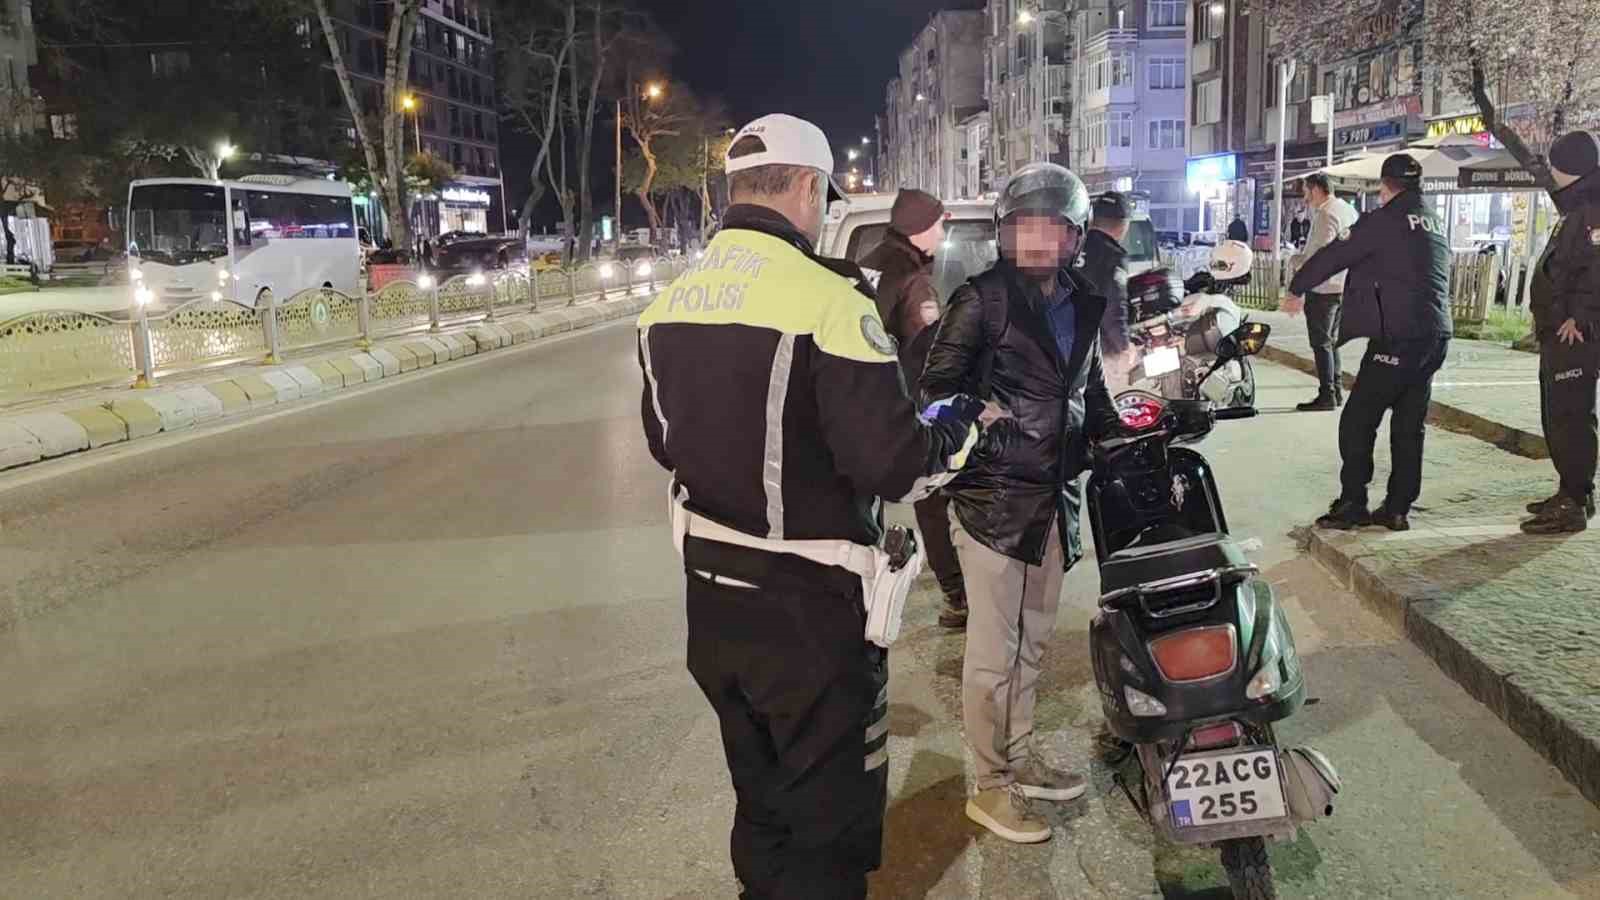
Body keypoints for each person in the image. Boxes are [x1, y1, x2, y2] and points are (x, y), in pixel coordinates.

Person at [636, 113, 989, 899]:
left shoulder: (667, 306)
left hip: (712, 603)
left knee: (760, 797)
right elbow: (897, 466)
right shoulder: (829, 301)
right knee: (827, 826)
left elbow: (665, 444)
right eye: (822, 196)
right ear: (805, 186)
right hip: (808, 612)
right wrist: (961, 426)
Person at [921, 163, 1120, 844]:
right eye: (1023, 228)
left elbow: (1089, 389)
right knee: (991, 654)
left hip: (1055, 498)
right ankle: (989, 784)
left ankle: (1019, 752)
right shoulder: (980, 300)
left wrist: (1117, 436)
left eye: (1052, 228)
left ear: (1075, 237)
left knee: (1033, 643)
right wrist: (986, 424)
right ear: (1005, 235)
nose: (1037, 241)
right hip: (994, 502)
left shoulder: (1084, 300)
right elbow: (935, 392)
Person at [1286, 153, 1451, 532]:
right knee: (1409, 425)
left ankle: (1352, 503)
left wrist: (1297, 288)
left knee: (1358, 420)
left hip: (1398, 337)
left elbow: (1336, 254)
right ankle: (1397, 508)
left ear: (1385, 187)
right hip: (1436, 336)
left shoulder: (1384, 220)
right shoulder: (1433, 219)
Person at [860, 188, 971, 628]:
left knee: (866, 497)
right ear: (920, 228)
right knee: (933, 496)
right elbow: (931, 352)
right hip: (908, 400)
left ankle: (865, 580)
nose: (942, 234)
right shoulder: (914, 281)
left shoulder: (867, 262)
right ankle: (958, 594)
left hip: (860, 397)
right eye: (938, 225)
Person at [1522, 130, 1600, 534]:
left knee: (1570, 417)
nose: (1551, 170)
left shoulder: (1593, 209)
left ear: (1572, 166)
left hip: (1575, 334)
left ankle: (1574, 500)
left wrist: (1581, 317)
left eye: (1556, 162)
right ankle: (1573, 492)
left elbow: (1597, 268)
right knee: (1559, 415)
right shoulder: (1579, 205)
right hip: (1559, 330)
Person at [1291, 173, 1361, 411]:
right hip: (1344, 286)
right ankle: (1336, 391)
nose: (1305, 197)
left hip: (1323, 288)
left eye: (1306, 192)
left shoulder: (1326, 214)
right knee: (1331, 342)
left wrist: (1297, 262)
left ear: (1316, 190)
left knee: (1321, 343)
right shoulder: (1348, 210)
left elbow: (1320, 255)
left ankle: (1327, 394)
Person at [1080, 191, 1135, 393]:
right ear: (1123, 225)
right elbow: (1112, 307)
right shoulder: (1112, 255)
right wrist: (1123, 346)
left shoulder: (1070, 246)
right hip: (1093, 352)